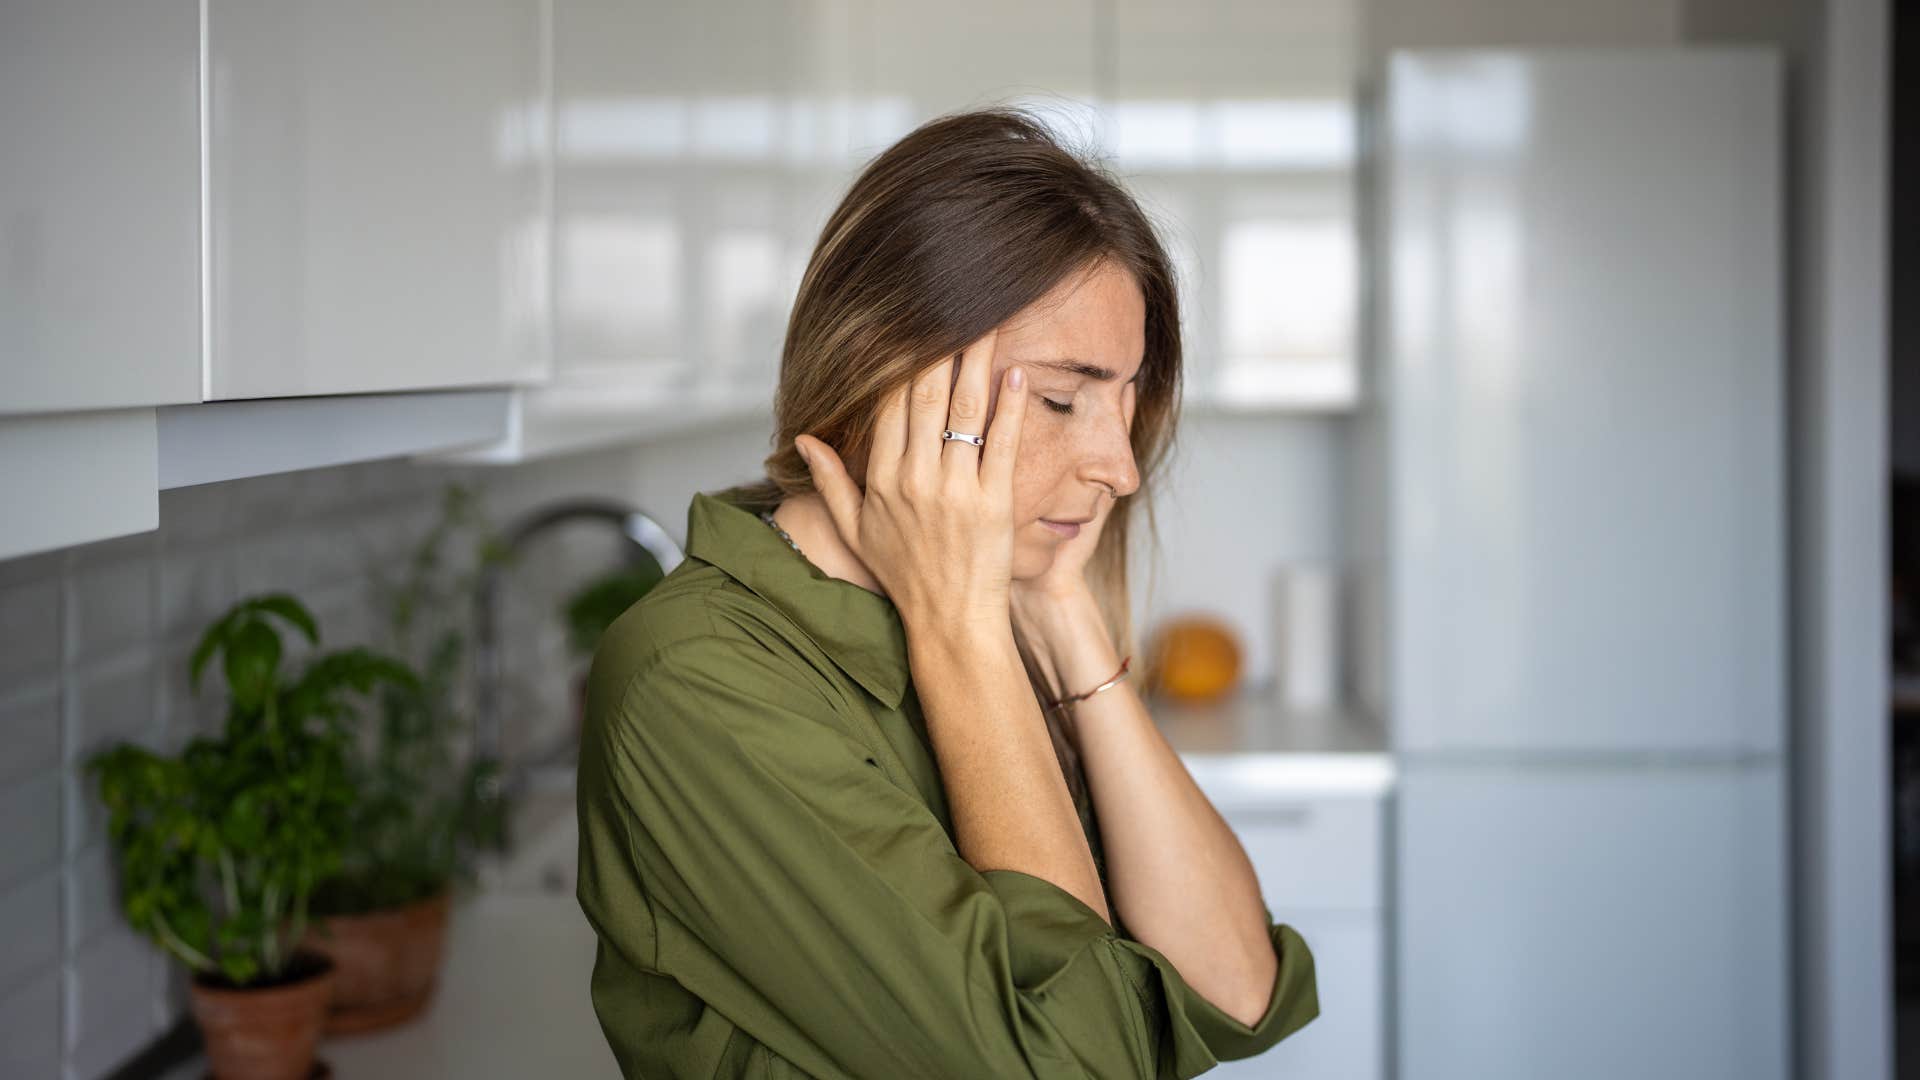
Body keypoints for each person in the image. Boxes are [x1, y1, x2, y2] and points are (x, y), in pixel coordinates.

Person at [574, 105, 1319, 1079]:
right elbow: (1087, 1066)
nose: (1119, 469)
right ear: (889, 373)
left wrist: (1062, 616)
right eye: (1062, 399)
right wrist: (961, 627)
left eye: (1124, 405)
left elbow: (1236, 988)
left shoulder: (998, 608)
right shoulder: (699, 681)